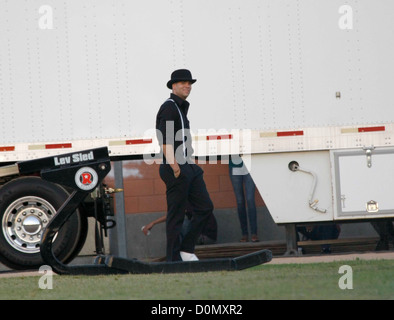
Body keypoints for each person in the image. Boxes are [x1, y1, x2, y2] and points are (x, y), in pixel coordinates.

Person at [155, 69, 214, 262]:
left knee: (205, 207)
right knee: (176, 215)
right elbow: (164, 139)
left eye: (189, 83)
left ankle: (186, 250)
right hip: (177, 167)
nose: (187, 85)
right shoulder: (170, 107)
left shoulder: (181, 108)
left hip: (188, 166)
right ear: (173, 86)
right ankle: (174, 259)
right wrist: (175, 167)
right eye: (182, 83)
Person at [229, 155, 259, 242]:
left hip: (249, 164)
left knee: (250, 199)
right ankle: (244, 234)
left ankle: (254, 233)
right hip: (234, 164)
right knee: (240, 201)